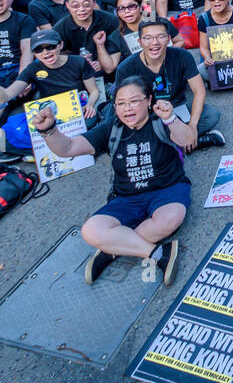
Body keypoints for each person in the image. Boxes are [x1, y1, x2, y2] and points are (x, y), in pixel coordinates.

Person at [29, 78, 188, 286]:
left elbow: (188, 139)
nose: (127, 108)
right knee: (91, 230)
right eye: (121, 103)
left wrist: (170, 118)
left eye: (134, 101)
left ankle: (112, 248)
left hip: (169, 188)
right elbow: (67, 149)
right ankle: (158, 252)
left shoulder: (159, 121)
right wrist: (48, 130)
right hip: (127, 196)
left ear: (149, 100)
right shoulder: (111, 129)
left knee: (171, 219)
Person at [114, 21, 224, 147]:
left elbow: (199, 91)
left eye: (161, 36)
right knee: (132, 132)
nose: (154, 42)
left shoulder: (182, 56)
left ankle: (174, 144)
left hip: (177, 108)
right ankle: (192, 143)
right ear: (140, 42)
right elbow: (123, 108)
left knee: (211, 115)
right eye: (148, 38)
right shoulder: (125, 68)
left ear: (169, 39)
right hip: (148, 115)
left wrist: (192, 126)